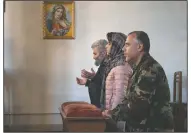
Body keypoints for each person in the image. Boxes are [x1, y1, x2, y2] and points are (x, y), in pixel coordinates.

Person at [103, 31, 174, 132]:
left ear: (140, 47)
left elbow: (137, 106)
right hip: (144, 125)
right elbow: (129, 99)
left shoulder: (149, 69)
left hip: (155, 127)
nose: (123, 49)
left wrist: (113, 114)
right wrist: (112, 112)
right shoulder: (140, 67)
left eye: (127, 45)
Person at [101, 32, 132, 113]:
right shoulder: (113, 63)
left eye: (109, 43)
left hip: (115, 115)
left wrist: (113, 114)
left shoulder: (121, 67)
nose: (106, 46)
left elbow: (120, 95)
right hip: (111, 112)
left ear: (117, 46)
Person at [76, 39, 108, 108]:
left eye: (95, 53)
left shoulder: (109, 65)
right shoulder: (103, 65)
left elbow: (107, 88)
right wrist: (87, 81)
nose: (93, 57)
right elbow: (100, 83)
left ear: (103, 53)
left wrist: (94, 77)